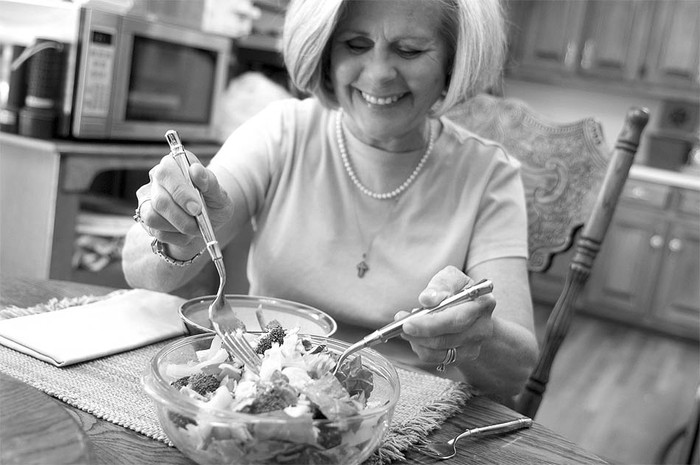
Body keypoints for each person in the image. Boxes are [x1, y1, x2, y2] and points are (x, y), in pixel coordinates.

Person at [122, 0, 539, 403]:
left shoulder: (489, 175)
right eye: (355, 45)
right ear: (324, 51)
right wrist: (178, 230)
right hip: (264, 398)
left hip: (412, 416)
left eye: (409, 50)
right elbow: (139, 268)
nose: (378, 75)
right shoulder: (281, 132)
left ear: (454, 60)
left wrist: (475, 336)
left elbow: (516, 372)